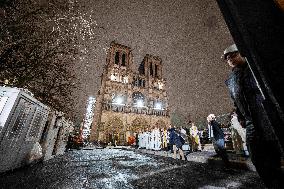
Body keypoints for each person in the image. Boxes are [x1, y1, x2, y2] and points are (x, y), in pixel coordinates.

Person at [223, 44, 283, 187]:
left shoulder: (256, 67)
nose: (230, 59)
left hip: (267, 116)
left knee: (274, 153)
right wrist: (241, 116)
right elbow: (236, 101)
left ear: (241, 53)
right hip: (251, 122)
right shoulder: (231, 79)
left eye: (233, 55)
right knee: (257, 157)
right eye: (227, 58)